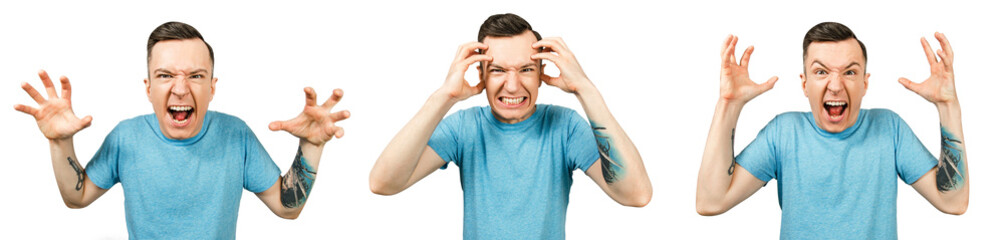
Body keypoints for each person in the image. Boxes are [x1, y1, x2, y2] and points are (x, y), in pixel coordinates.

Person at [13, 21, 350, 239]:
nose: (179, 88)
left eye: (196, 75)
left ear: (212, 87)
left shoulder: (236, 135)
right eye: (165, 75)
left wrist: (311, 145)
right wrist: (60, 141)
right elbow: (77, 197)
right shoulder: (125, 137)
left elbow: (287, 207)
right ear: (148, 88)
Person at [369, 13, 652, 239]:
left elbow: (636, 194)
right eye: (498, 70)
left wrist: (585, 89)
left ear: (542, 73)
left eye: (526, 69)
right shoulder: (465, 128)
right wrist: (444, 96)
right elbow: (383, 183)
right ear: (480, 73)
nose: (513, 85)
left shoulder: (564, 127)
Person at [695, 22, 969, 239]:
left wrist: (948, 106)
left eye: (849, 72)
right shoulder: (784, 133)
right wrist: (728, 104)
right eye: (821, 72)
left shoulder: (889, 129)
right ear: (804, 84)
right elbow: (711, 202)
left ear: (865, 83)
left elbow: (953, 202)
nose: (836, 85)